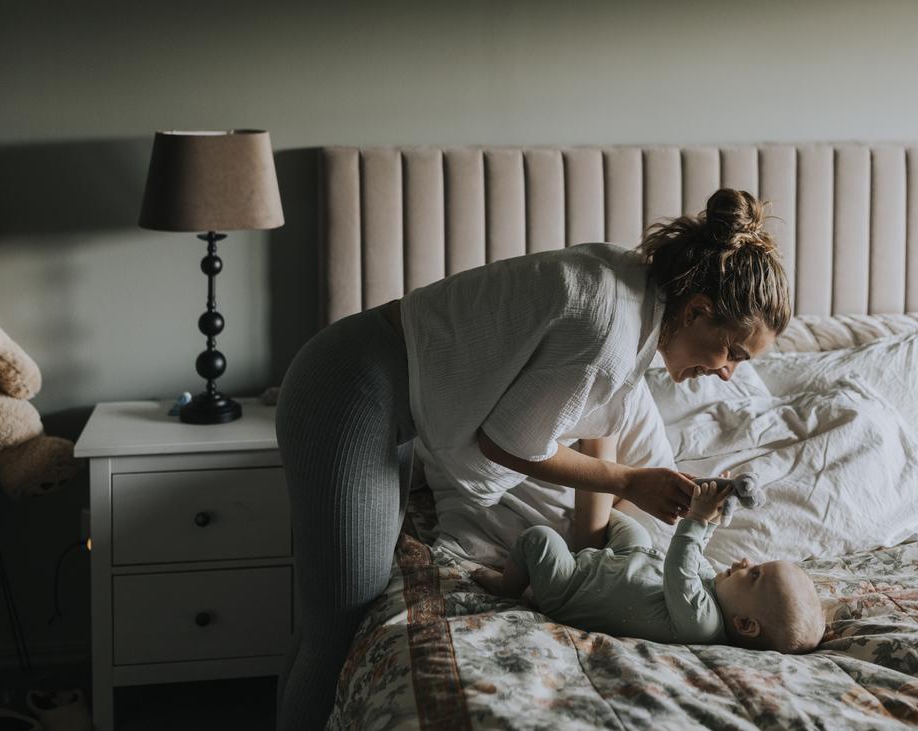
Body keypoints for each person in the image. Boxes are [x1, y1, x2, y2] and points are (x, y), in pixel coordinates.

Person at [273, 188, 791, 729]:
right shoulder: (610, 335)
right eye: (733, 352)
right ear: (699, 310)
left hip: (383, 396)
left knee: (328, 620)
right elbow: (508, 444)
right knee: (337, 624)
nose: (730, 372)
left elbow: (598, 426)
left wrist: (596, 540)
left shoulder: (635, 292)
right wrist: (631, 482)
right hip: (350, 386)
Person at [473, 480, 825, 653]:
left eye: (754, 574)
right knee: (633, 527)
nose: (746, 562)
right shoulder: (716, 590)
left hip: (572, 589)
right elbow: (694, 552)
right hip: (629, 560)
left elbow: (679, 566)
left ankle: (508, 586)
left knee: (539, 538)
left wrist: (698, 520)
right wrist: (712, 518)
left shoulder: (703, 624)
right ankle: (595, 507)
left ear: (745, 624)